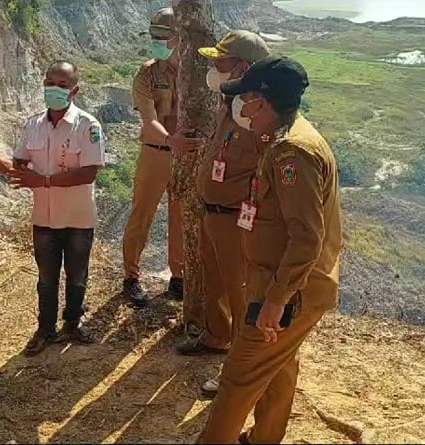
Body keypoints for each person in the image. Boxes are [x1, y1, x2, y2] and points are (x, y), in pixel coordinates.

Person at [198, 55, 342, 444]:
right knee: (278, 367)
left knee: (238, 377)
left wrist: (277, 300)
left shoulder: (291, 152)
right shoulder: (291, 139)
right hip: (291, 285)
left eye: (245, 98)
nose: (241, 108)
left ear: (262, 101)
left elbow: (307, 236)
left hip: (288, 292)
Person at [0, 61, 106, 356]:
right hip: (44, 217)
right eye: (50, 82)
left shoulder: (88, 126)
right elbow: (20, 163)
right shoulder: (33, 124)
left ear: (75, 90)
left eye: (62, 84)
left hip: (78, 216)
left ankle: (73, 323)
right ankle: (45, 329)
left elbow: (88, 173)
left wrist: (42, 180)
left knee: (77, 274)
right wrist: (5, 165)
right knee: (46, 278)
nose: (54, 89)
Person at [175, 31, 271, 397]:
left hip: (236, 217)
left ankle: (238, 366)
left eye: (221, 62)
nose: (213, 68)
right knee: (215, 282)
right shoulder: (230, 102)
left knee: (239, 290)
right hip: (214, 211)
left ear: (243, 68)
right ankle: (217, 338)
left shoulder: (257, 112)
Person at [121, 7, 203, 308]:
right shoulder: (146, 74)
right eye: (154, 36)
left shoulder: (196, 73)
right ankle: (131, 277)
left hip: (186, 157)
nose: (157, 42)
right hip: (156, 153)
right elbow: (148, 120)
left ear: (179, 38)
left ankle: (179, 278)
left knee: (181, 217)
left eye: (163, 37)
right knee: (141, 216)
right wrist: (171, 140)